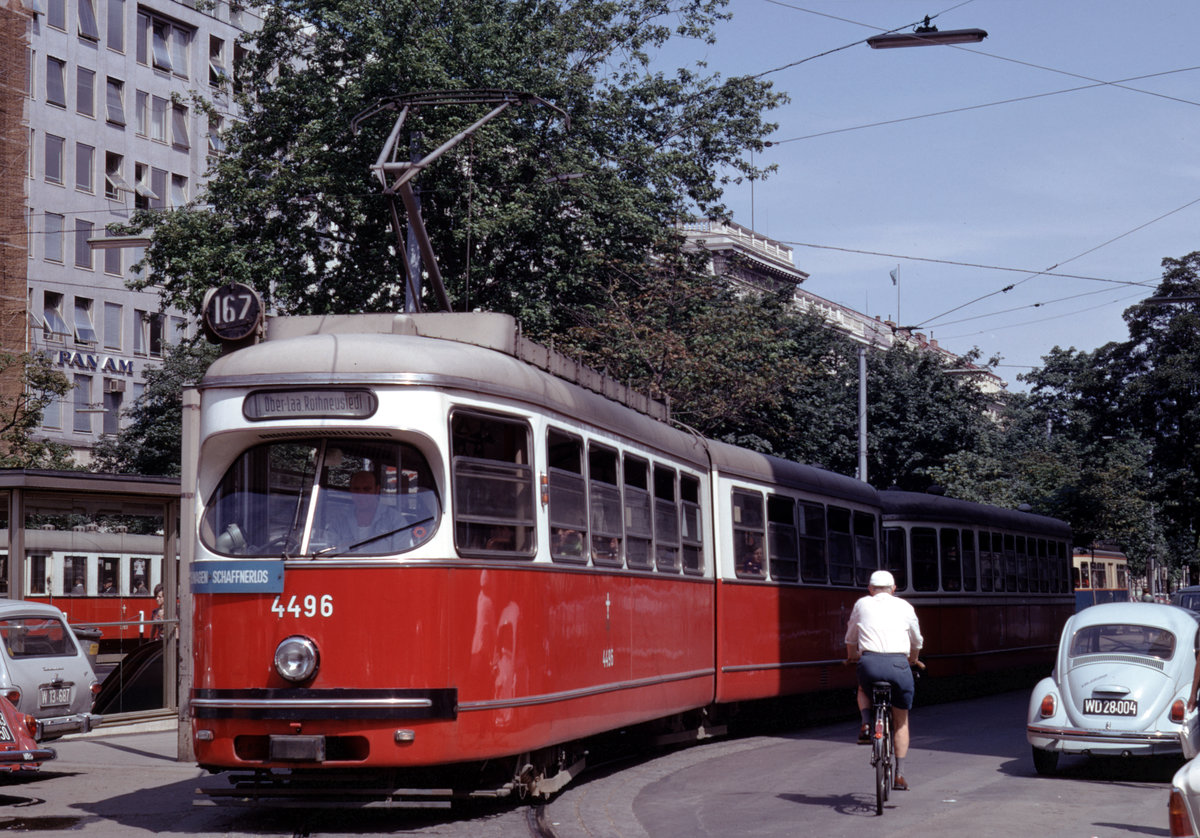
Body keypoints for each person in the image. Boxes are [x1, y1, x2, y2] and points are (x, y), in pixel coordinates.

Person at [845, 569, 923, 792]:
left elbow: (851, 636)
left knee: (863, 687)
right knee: (901, 720)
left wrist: (852, 656)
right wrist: (913, 659)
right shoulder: (905, 607)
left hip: (869, 663)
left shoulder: (861, 604)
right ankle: (899, 775)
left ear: (870, 589)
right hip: (899, 665)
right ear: (894, 589)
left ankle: (867, 723)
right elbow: (916, 641)